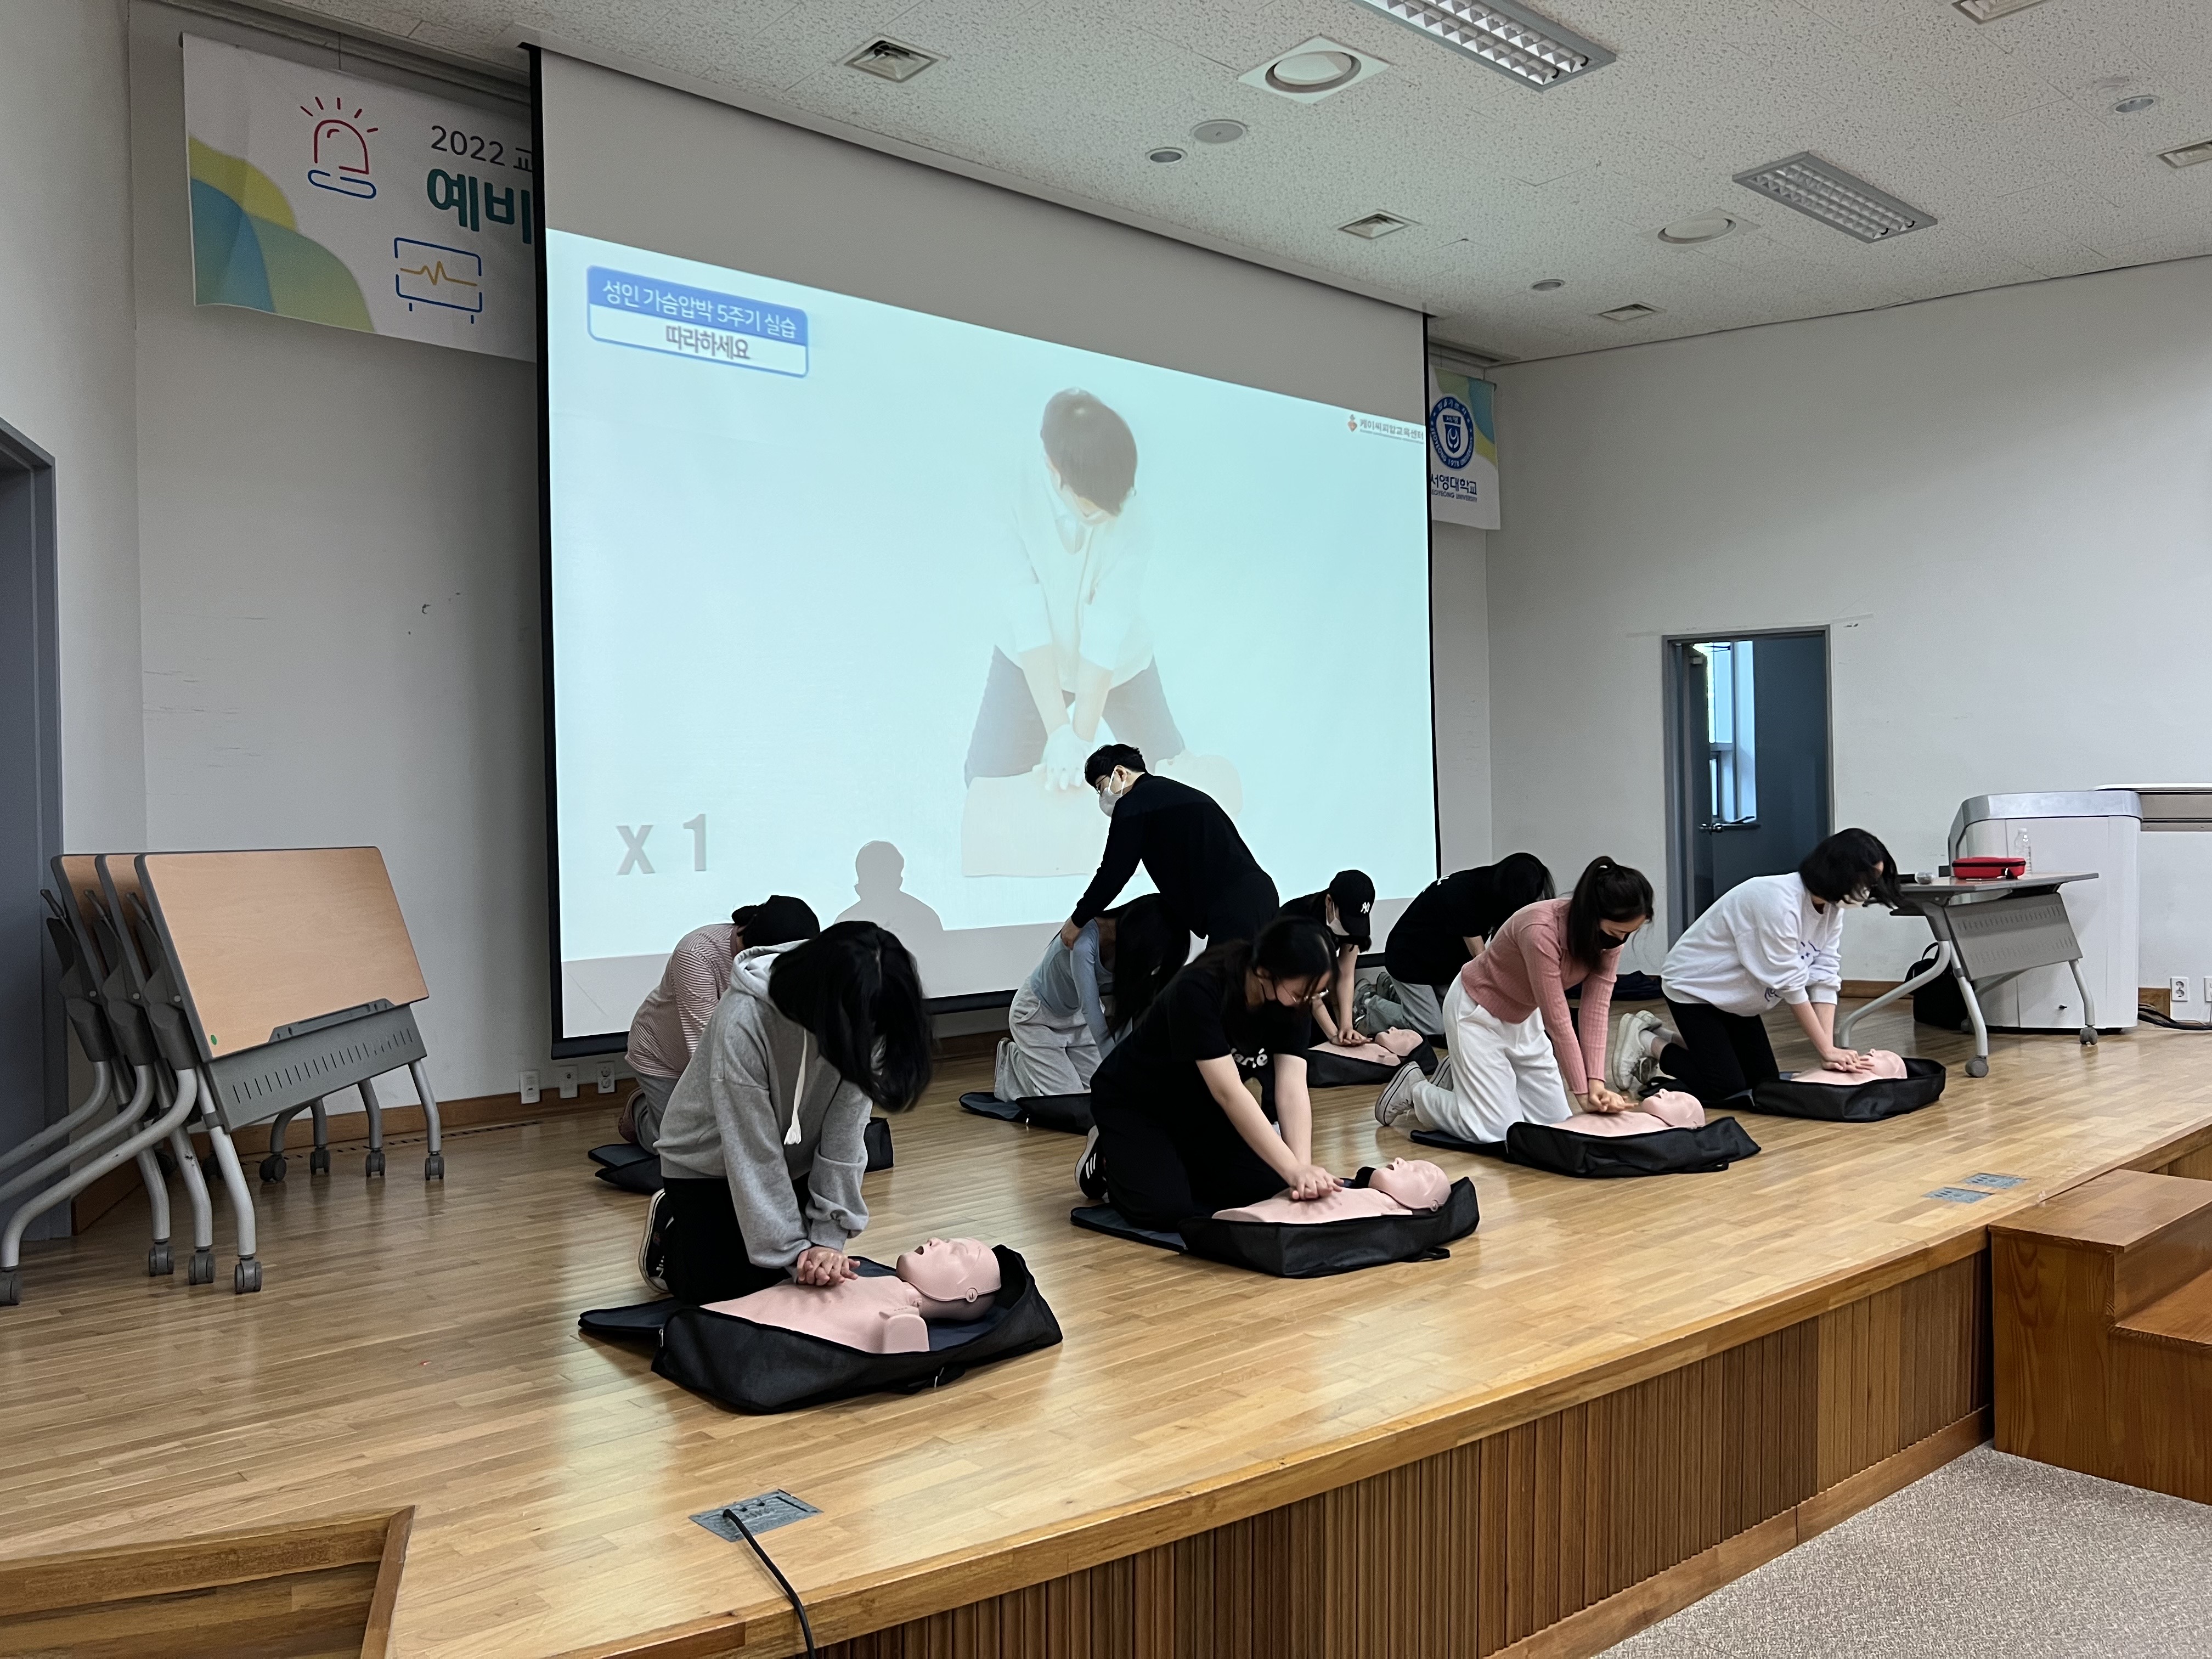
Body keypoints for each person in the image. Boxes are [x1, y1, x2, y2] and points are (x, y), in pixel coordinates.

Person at [645, 922, 931, 1303]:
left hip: (796, 1160)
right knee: (733, 1297)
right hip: (706, 1163)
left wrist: (827, 1241)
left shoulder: (872, 1012)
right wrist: (794, 1254)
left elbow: (845, 1134)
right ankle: (671, 1229)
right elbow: (753, 1152)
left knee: (800, 1284)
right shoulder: (744, 1018)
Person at [963, 390, 1186, 788]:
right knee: (986, 781)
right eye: (1091, 508)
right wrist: (1058, 733)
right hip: (1028, 656)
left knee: (1174, 779)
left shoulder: (1130, 511)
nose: (1107, 516)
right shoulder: (1007, 484)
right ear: (1053, 468)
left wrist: (1080, 745)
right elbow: (1026, 614)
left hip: (1119, 663)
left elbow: (1106, 632)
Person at [1078, 917, 1341, 1231]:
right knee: (1166, 1210)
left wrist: (1300, 1171)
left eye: (1316, 993)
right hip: (1137, 1103)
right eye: (1303, 992)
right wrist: (1294, 1171)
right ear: (1265, 972)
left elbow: (1293, 1089)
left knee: (1274, 1185)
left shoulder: (1294, 1005)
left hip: (1199, 1107)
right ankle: (1107, 1156)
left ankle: (1173, 1164)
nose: (1308, 1001)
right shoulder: (1200, 989)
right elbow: (1228, 1093)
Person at [1616, 829, 1902, 1107]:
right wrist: (1826, 1049)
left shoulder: (1831, 910)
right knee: (1727, 1088)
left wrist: (1828, 1049)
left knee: (1763, 1083)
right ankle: (1646, 1040)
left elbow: (1825, 976)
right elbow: (1791, 985)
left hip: (1738, 1000)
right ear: (1841, 872)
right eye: (1867, 880)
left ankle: (1668, 1037)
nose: (1868, 890)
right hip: (1695, 988)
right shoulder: (1776, 900)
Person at [1375, 857, 1653, 1143]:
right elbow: (1558, 1020)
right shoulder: (1541, 929)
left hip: (1524, 1017)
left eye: (1627, 934)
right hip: (1476, 1012)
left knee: (1554, 1125)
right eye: (1617, 933)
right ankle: (1416, 1090)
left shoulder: (1608, 938)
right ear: (1591, 915)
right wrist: (1583, 1094)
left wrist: (1596, 1083)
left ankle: (1459, 1078)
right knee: (1496, 1131)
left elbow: (1596, 1010)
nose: (1620, 942)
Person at [621, 895, 820, 1150]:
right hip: (664, 1055)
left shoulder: (793, 958)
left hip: (730, 1053)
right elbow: (706, 1048)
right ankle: (639, 1110)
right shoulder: (696, 954)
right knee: (675, 1147)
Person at [1064, 743, 1277, 951]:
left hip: (1234, 904)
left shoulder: (1134, 803)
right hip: (1260, 894)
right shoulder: (1175, 792)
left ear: (1120, 773)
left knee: (1222, 974)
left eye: (1101, 787)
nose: (1103, 796)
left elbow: (1114, 871)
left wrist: (1077, 921)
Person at [995, 894, 1188, 1102]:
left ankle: (1046, 1066)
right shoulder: (1085, 939)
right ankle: (1012, 1061)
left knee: (1098, 1091)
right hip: (1037, 1017)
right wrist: (1118, 1068)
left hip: (1079, 1020)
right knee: (1067, 1100)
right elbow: (1090, 1007)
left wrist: (1125, 1061)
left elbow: (1127, 1009)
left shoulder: (1130, 950)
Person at [1380, 854, 1554, 1037]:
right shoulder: (1463, 894)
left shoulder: (1494, 887)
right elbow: (1480, 957)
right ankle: (1369, 1005)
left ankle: (1394, 992)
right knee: (1433, 1028)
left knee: (1455, 1015)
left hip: (1439, 964)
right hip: (1409, 961)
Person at [1276, 870, 1376, 1046]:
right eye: (1347, 922)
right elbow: (1308, 990)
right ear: (1330, 902)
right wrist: (1333, 1035)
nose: (1350, 930)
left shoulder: (1353, 917)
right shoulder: (1299, 920)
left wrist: (1347, 1027)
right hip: (1279, 985)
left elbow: (1346, 973)